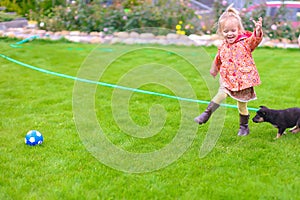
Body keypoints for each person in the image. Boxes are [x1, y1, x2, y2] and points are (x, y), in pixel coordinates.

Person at [194, 5, 263, 136]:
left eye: (233, 30)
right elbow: (218, 58)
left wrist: (258, 31)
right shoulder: (223, 46)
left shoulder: (245, 43)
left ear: (239, 30)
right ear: (221, 32)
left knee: (242, 105)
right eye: (226, 31)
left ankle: (244, 127)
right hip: (228, 78)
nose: (230, 33)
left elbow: (255, 40)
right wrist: (214, 69)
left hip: (243, 81)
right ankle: (206, 114)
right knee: (221, 93)